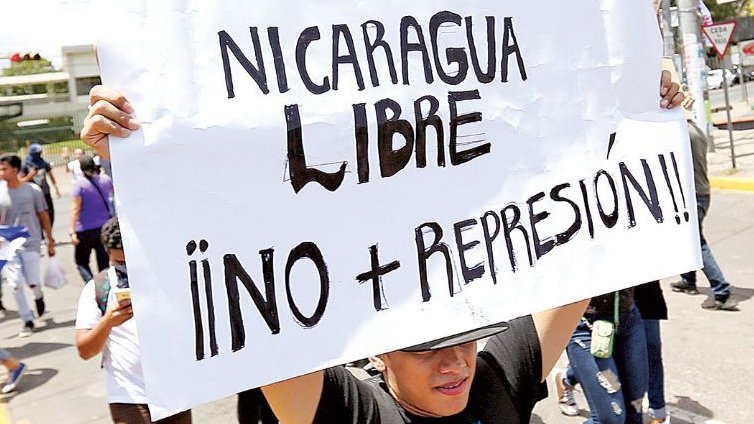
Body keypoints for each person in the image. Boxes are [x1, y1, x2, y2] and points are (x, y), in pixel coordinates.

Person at [80, 69, 683, 423]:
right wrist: (146, 164)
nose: (455, 363)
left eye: (464, 339)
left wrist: (634, 113)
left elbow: (586, 243)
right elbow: (258, 318)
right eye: (425, 349)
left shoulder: (497, 377)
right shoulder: (354, 413)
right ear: (379, 354)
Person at [75, 217, 192, 424]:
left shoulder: (165, 279)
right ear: (107, 254)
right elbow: (84, 350)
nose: (127, 269)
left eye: (132, 261)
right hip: (128, 397)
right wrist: (108, 322)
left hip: (173, 394)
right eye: (119, 263)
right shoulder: (98, 288)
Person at [670, 121, 738, 311]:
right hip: (699, 193)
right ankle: (688, 280)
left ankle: (722, 292)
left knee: (696, 243)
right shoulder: (694, 129)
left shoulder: (680, 132)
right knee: (686, 238)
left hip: (691, 196)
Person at [560, 289, 648, 424]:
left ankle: (568, 378)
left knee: (635, 407)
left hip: (628, 318)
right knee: (611, 417)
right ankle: (568, 378)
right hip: (585, 324)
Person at [0, 154, 55, 338]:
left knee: (33, 282)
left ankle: (38, 296)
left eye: (4, 169)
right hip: (7, 245)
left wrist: (50, 240)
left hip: (31, 242)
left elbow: (43, 216)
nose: (1, 172)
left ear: (15, 170)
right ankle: (27, 320)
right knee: (15, 284)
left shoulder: (33, 190)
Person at [70, 155, 113, 283]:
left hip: (84, 229)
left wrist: (72, 231)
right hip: (104, 227)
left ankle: (90, 284)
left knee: (81, 261)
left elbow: (76, 209)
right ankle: (103, 288)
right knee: (104, 263)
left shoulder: (79, 185)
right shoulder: (105, 180)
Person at [634, 281, 669, 424]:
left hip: (646, 291)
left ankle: (658, 412)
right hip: (612, 295)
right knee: (604, 352)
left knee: (652, 351)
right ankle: (570, 378)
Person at [20, 143, 61, 227]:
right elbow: (20, 181)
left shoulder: (43, 162)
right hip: (32, 194)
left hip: (45, 192)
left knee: (50, 213)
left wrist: (56, 188)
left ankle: (49, 230)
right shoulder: (25, 164)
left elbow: (50, 175)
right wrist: (30, 176)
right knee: (37, 215)